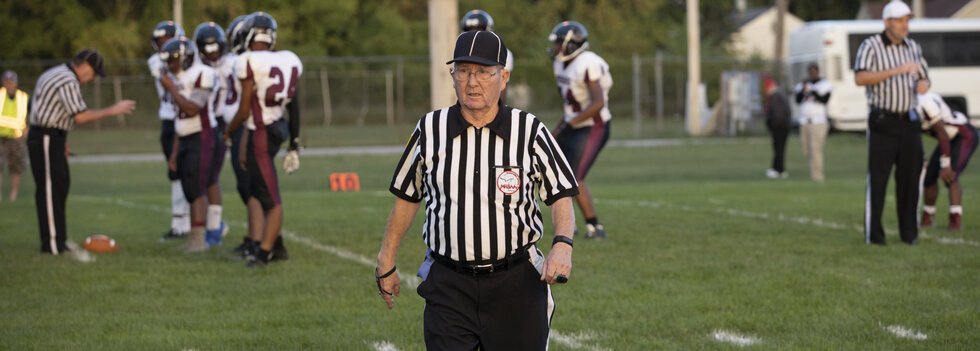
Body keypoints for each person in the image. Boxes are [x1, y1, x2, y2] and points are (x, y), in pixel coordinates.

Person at [375, 30, 578, 350]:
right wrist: (386, 259)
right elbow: (407, 196)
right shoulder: (430, 129)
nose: (473, 82)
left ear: (504, 76)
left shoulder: (529, 131)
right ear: (452, 75)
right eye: (464, 71)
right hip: (449, 283)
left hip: (517, 284)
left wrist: (563, 244)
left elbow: (561, 193)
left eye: (484, 72)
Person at [27, 49, 136, 255]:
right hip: (45, 136)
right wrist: (112, 110)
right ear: (85, 65)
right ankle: (51, 243)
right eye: (94, 73)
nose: (92, 78)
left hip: (52, 136)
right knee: (50, 190)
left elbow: (55, 111)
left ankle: (59, 238)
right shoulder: (67, 79)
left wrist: (62, 140)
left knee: (59, 185)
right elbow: (80, 116)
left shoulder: (58, 72)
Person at [224, 12, 302, 267]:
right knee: (259, 188)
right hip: (274, 129)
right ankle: (276, 245)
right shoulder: (288, 58)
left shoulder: (247, 60)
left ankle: (264, 252)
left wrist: (227, 132)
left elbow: (245, 110)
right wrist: (294, 142)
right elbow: (295, 106)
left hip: (260, 131)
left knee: (271, 198)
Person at [854, 0, 928, 245]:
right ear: (887, 22)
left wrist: (923, 84)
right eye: (900, 20)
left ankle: (909, 234)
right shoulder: (871, 46)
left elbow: (924, 78)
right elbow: (861, 77)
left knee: (909, 179)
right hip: (883, 121)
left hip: (909, 120)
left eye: (907, 20)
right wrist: (895, 70)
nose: (905, 25)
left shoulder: (913, 47)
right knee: (878, 180)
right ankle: (875, 235)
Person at [548, 21, 613, 239]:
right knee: (559, 175)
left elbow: (597, 103)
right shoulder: (559, 64)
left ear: (572, 45)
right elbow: (569, 104)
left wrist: (569, 123)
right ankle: (570, 224)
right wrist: (558, 128)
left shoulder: (589, 63)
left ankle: (595, 226)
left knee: (574, 177)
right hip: (573, 122)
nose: (556, 47)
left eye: (559, 43)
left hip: (594, 124)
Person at [158, 36, 220, 252]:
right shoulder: (180, 77)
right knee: (188, 187)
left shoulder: (203, 73)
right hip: (184, 136)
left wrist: (172, 89)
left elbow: (194, 108)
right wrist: (174, 153)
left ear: (185, 58)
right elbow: (180, 118)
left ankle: (199, 238)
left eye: (173, 61)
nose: (170, 66)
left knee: (197, 187)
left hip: (202, 135)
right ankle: (195, 236)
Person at [914, 78, 977, 231]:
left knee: (950, 175)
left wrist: (946, 164)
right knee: (929, 178)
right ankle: (928, 216)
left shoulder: (924, 102)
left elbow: (942, 133)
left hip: (962, 135)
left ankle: (955, 219)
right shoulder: (908, 104)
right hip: (947, 138)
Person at [149, 20, 191, 240]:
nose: (164, 45)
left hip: (189, 117)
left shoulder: (192, 59)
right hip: (169, 117)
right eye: (160, 41)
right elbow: (167, 75)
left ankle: (195, 222)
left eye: (167, 40)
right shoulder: (156, 61)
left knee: (191, 172)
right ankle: (179, 223)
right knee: (175, 172)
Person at [193, 21, 231, 246]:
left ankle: (215, 227)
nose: (213, 53)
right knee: (202, 178)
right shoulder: (196, 66)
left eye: (216, 47)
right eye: (207, 48)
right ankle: (211, 225)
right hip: (202, 124)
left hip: (221, 123)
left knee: (210, 178)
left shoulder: (233, 64)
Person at [460, 9, 513, 102]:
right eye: (470, 32)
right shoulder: (457, 52)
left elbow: (501, 90)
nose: (474, 36)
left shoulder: (501, 52)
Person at [793, 63, 832, 182]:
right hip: (805, 122)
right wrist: (805, 89)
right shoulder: (803, 84)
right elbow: (798, 100)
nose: (812, 74)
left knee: (816, 149)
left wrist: (812, 90)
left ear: (818, 72)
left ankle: (817, 176)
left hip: (818, 122)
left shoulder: (824, 84)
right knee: (806, 149)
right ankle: (813, 170)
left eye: (814, 71)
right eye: (810, 72)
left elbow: (824, 100)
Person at [0, 70, 29, 202]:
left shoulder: (23, 97)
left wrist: (26, 132)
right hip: (1, 137)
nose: (9, 84)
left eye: (11, 82)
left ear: (16, 83)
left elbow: (30, 117)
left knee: (16, 167)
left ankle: (13, 195)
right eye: (6, 81)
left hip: (17, 138)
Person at [764, 78, 791, 179]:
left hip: (779, 128)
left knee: (779, 149)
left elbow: (777, 115)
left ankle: (779, 170)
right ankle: (778, 168)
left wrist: (773, 125)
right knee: (778, 149)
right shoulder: (778, 96)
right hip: (781, 127)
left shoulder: (777, 97)